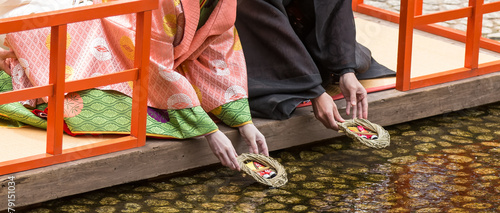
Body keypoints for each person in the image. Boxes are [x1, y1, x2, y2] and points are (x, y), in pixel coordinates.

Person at [0, 0, 268, 171]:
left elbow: (219, 57)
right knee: (83, 111)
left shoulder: (224, 4)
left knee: (152, 114)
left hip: (143, 56)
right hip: (102, 37)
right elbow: (153, 61)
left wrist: (244, 121)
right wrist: (209, 131)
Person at [235, 0, 395, 130]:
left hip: (297, 26)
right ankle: (303, 76)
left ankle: (322, 68)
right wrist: (315, 91)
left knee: (351, 59)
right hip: (257, 38)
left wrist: (346, 69)